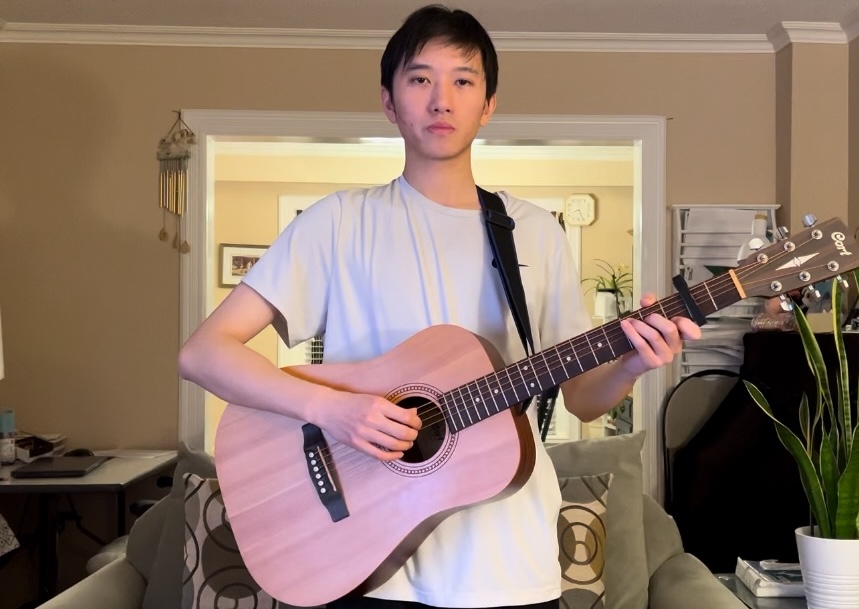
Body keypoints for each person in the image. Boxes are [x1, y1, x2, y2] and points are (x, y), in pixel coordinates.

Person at [178, 4, 701, 609]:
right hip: (366, 563)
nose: (441, 100)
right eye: (420, 78)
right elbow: (203, 354)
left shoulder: (534, 232)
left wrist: (631, 364)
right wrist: (333, 410)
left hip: (509, 564)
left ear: (488, 104)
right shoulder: (337, 222)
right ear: (389, 100)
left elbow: (582, 398)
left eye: (463, 80)